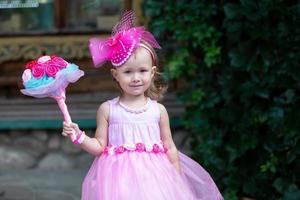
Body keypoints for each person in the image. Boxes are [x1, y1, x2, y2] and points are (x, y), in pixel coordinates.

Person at [62, 11, 223, 200]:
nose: (136, 78)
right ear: (116, 75)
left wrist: (176, 178)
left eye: (142, 71)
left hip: (155, 179)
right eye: (128, 72)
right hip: (118, 182)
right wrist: (78, 136)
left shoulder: (158, 110)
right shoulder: (108, 110)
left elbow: (169, 146)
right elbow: (99, 147)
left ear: (152, 72)